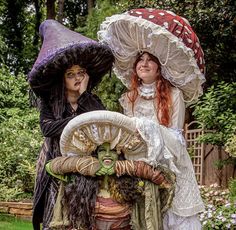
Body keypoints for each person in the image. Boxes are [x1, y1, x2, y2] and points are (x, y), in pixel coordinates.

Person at [98, 8, 206, 229]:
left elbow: (176, 138)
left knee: (173, 216)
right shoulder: (128, 98)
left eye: (150, 60)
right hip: (139, 164)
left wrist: (145, 127)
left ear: (159, 68)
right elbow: (127, 135)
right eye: (140, 59)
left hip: (172, 163)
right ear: (135, 67)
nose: (144, 63)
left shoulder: (174, 94)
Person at [27, 19, 114, 230]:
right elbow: (48, 128)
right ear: (62, 79)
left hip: (86, 170)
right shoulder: (50, 102)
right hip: (55, 167)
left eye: (81, 72)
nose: (77, 77)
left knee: (82, 218)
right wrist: (79, 121)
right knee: (54, 218)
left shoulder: (92, 101)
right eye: (70, 74)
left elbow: (102, 126)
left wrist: (84, 96)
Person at [45, 110, 176, 229]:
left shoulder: (132, 182)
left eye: (112, 151)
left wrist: (125, 167)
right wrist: (88, 166)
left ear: (119, 154)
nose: (107, 154)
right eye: (102, 150)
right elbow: (50, 167)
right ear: (96, 155)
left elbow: (165, 182)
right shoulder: (81, 180)